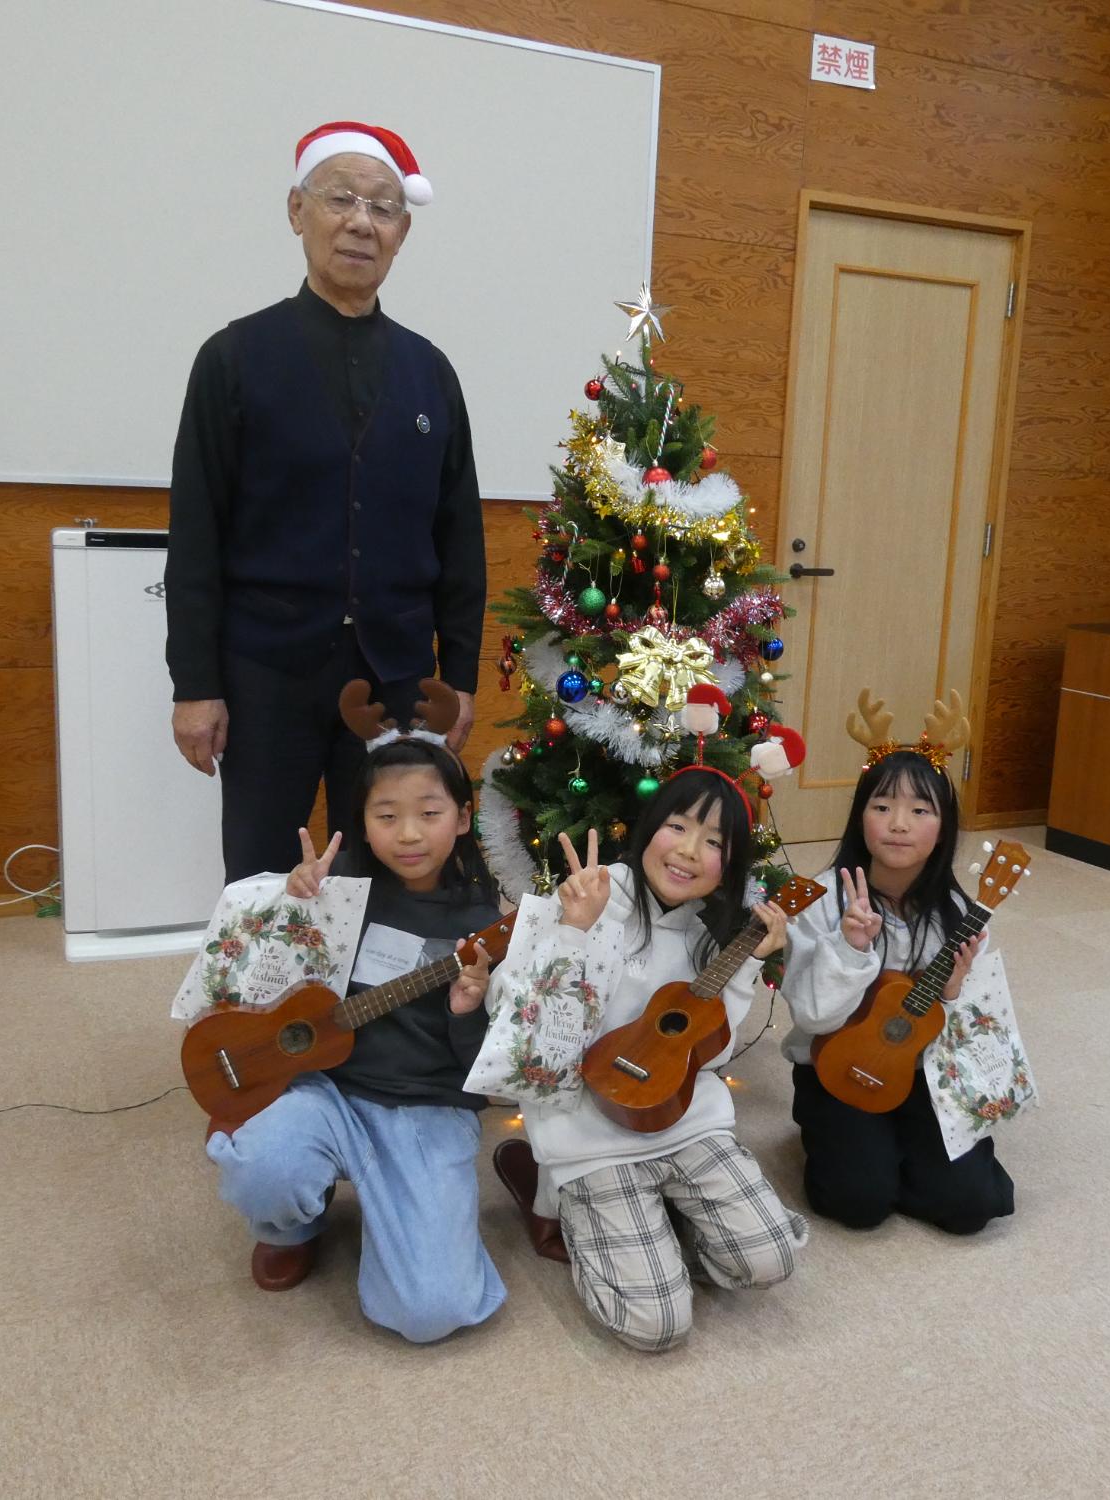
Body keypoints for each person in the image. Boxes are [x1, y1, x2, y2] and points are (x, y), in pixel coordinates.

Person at [165, 120, 486, 882]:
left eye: (381, 207)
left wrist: (461, 675)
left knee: (392, 866)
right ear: (296, 211)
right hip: (265, 667)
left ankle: (379, 1005)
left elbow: (459, 534)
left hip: (398, 674)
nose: (359, 223)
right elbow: (197, 534)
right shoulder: (235, 358)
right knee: (260, 864)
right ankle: (259, 1006)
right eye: (339, 198)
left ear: (402, 233)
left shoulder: (429, 372)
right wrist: (194, 686)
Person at [201, 682, 506, 1343]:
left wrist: (466, 1008)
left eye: (429, 812)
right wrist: (288, 906)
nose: (409, 834)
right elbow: (254, 985)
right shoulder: (335, 896)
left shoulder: (488, 925)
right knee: (260, 1164)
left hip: (428, 1108)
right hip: (331, 1090)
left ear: (461, 817)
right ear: (360, 820)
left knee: (431, 1311)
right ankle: (293, 1225)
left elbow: (491, 1070)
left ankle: (415, 1218)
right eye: (386, 815)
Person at [480, 775, 808, 1353]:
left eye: (713, 842)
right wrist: (573, 932)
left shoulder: (713, 930)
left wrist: (749, 964)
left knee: (772, 1257)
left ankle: (663, 1226)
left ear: (729, 864)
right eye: (677, 827)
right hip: (591, 1139)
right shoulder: (587, 895)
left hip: (685, 1123)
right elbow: (510, 1012)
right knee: (656, 1325)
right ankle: (579, 1210)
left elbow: (714, 1053)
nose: (686, 850)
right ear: (648, 829)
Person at [778, 712, 1016, 1236]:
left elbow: (981, 1040)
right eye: (881, 806)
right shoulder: (821, 901)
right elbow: (815, 1017)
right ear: (860, 817)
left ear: (944, 824)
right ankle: (861, 1151)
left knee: (972, 1207)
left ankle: (901, 1152)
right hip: (837, 1068)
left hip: (922, 1073)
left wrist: (952, 996)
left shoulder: (959, 915)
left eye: (919, 809)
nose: (899, 823)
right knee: (858, 1204)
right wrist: (849, 947)